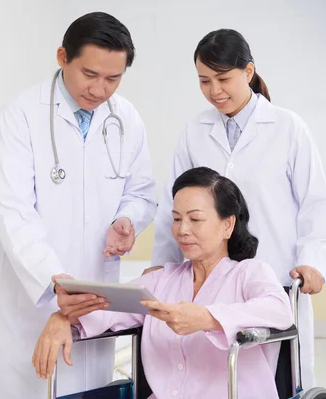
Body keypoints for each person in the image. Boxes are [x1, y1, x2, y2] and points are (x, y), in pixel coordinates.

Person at [0, 12, 156, 398]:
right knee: (30, 388)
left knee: (90, 387)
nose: (99, 89)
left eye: (113, 79)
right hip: (31, 296)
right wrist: (53, 276)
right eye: (90, 74)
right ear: (63, 57)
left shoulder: (126, 118)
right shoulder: (21, 115)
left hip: (95, 289)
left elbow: (143, 191)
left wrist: (126, 219)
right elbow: (12, 211)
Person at [147, 29, 326, 388]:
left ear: (248, 72)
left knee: (274, 382)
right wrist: (162, 266)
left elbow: (315, 201)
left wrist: (313, 260)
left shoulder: (288, 127)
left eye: (224, 78)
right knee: (213, 379)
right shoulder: (194, 129)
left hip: (275, 278)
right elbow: (175, 201)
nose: (215, 91)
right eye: (204, 81)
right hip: (212, 284)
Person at [33, 167, 294, 399]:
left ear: (227, 225)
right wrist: (64, 317)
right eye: (177, 218)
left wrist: (207, 317)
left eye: (195, 219)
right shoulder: (162, 280)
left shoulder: (249, 273)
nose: (182, 230)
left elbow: (279, 310)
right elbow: (107, 307)